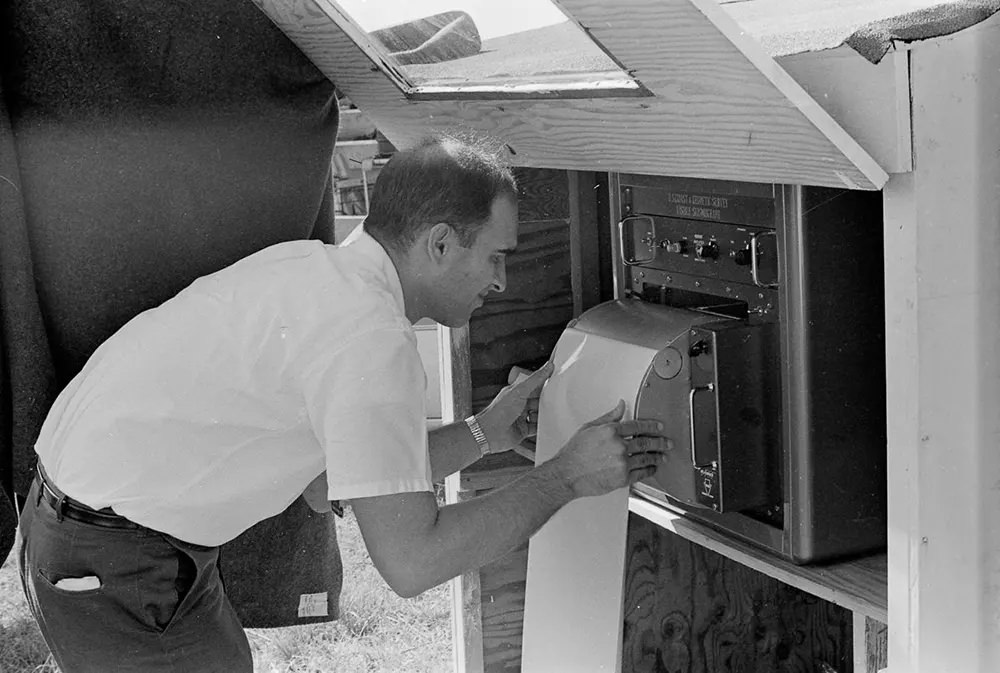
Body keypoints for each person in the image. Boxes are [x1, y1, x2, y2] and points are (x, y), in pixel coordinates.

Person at [16, 134, 671, 672]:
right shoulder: (371, 338)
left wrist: (483, 431)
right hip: (118, 561)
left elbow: (330, 482)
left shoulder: (320, 276)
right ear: (440, 243)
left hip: (106, 538)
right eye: (495, 256)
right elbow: (415, 562)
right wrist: (567, 475)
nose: (501, 280)